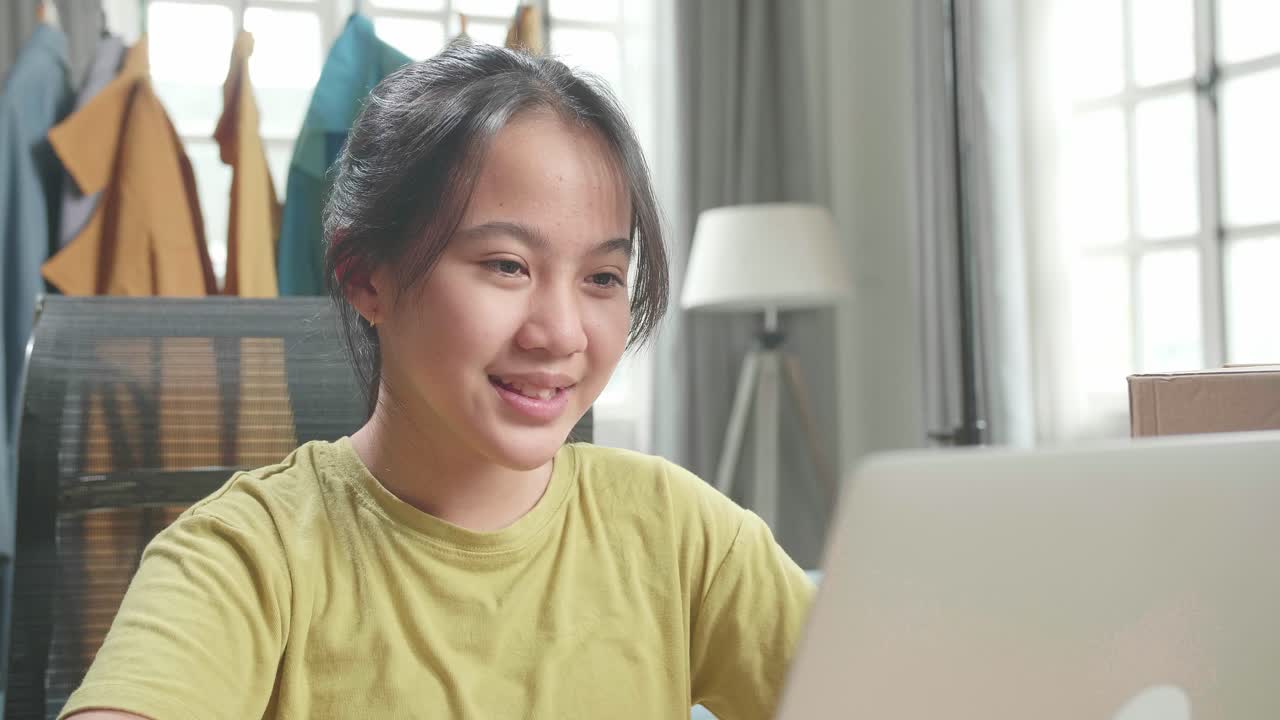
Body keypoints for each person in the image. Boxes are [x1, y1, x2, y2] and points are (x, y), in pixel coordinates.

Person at [61, 41, 814, 720]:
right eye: (507, 266)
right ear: (367, 278)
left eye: (603, 277)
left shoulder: (684, 536)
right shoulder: (247, 557)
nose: (561, 333)